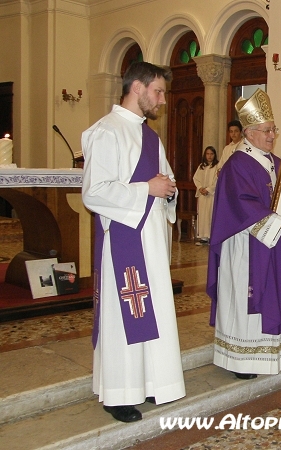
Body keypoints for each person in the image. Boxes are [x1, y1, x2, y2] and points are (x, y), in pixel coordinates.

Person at [81, 61, 185, 422]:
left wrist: (168, 191)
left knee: (152, 312)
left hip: (152, 241)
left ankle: (152, 382)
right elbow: (94, 193)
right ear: (137, 88)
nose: (162, 100)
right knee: (124, 316)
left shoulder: (150, 137)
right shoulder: (105, 132)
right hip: (126, 240)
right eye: (157, 92)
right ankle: (119, 393)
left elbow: (165, 180)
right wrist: (147, 188)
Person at [207, 88, 281, 380]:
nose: (272, 135)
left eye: (274, 129)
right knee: (247, 296)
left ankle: (272, 353)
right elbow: (240, 205)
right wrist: (279, 223)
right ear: (249, 133)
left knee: (275, 291)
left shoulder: (276, 162)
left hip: (274, 241)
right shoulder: (237, 164)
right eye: (267, 130)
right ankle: (243, 359)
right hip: (247, 245)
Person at [193, 145, 218, 244]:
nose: (209, 156)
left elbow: (217, 181)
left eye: (211, 154)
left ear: (214, 155)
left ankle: (211, 236)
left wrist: (208, 189)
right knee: (202, 215)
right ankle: (203, 237)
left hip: (211, 195)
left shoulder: (217, 166)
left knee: (210, 214)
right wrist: (200, 188)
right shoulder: (201, 166)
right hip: (202, 195)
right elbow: (196, 178)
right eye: (207, 154)